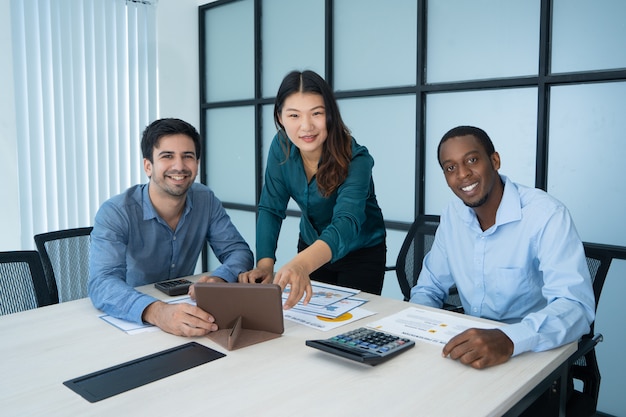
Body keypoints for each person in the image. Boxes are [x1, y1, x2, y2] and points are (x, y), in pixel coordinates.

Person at [410, 125, 595, 370]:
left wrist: (511, 338)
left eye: (472, 160)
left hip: (529, 353)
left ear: (495, 160)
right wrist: (416, 326)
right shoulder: (453, 215)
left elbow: (575, 306)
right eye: (450, 167)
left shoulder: (546, 215)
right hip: (469, 351)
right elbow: (429, 288)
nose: (463, 174)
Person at [89, 118, 254, 337]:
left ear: (197, 164)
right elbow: (102, 281)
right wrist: (157, 312)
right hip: (127, 320)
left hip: (185, 312)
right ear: (148, 166)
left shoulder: (205, 199)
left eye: (188, 156)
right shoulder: (116, 211)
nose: (179, 166)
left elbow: (238, 252)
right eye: (167, 156)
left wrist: (221, 278)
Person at [239, 70, 386, 309]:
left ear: (330, 114)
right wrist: (265, 265)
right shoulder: (281, 146)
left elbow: (347, 221)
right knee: (305, 321)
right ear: (280, 117)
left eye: (316, 113)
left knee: (349, 329)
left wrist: (300, 264)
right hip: (310, 245)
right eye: (294, 115)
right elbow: (271, 208)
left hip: (360, 252)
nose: (306, 126)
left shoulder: (356, 158)